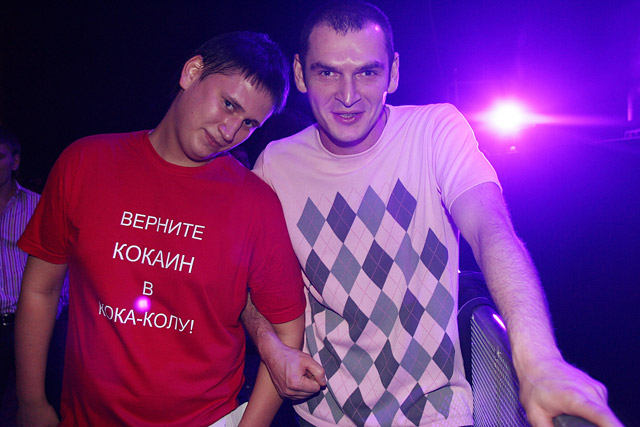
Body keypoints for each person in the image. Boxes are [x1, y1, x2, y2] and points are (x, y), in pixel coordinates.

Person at [248, 1, 623, 426]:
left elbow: (489, 230)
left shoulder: (435, 131)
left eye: (367, 72)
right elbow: (243, 281)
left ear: (393, 72)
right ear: (300, 74)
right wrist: (271, 348)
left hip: (436, 415)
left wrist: (539, 362)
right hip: (321, 416)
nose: (348, 96)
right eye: (328, 73)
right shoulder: (275, 165)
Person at [15, 31, 306, 426]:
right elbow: (40, 289)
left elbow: (288, 333)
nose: (230, 131)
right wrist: (30, 401)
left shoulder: (257, 204)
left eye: (249, 123)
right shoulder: (85, 163)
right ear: (192, 72)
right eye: (228, 104)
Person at [0, 127, 69, 418]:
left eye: (0, 156)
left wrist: (53, 314)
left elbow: (61, 269)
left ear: (15, 161)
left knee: (41, 405)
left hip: (31, 325)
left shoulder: (38, 205)